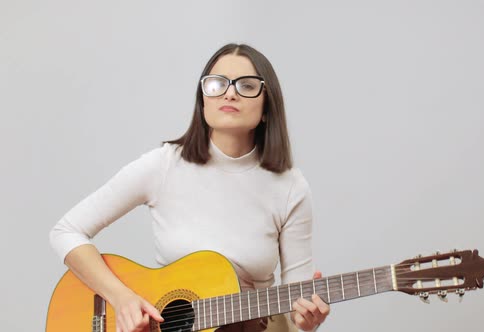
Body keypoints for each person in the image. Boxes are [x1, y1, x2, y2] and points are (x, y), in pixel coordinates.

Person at [49, 43, 330, 332]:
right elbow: (66, 231)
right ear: (203, 100)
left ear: (267, 109)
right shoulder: (163, 166)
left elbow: (299, 305)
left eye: (247, 86)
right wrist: (122, 299)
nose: (229, 92)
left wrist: (307, 319)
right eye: (217, 84)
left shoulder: (291, 187)